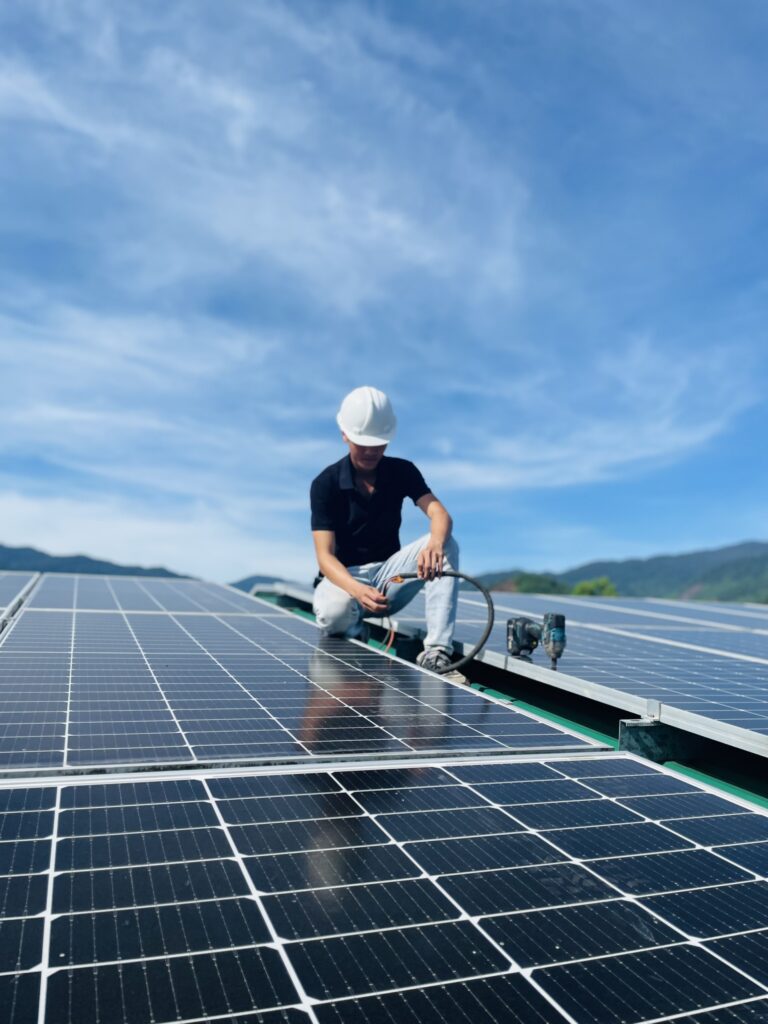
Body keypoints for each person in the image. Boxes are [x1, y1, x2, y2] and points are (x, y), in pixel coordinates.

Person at [310, 385, 464, 682]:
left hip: (389, 578)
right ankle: (356, 638)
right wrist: (357, 590)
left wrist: (435, 542)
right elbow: (324, 557)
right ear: (345, 435)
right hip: (344, 579)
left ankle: (436, 653)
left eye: (378, 444)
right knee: (334, 612)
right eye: (362, 443)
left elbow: (439, 514)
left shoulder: (402, 471)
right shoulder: (325, 484)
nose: (371, 451)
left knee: (447, 544)